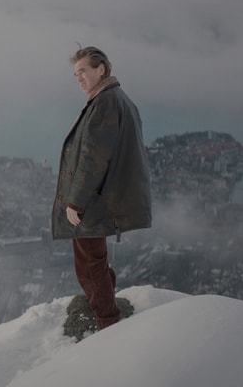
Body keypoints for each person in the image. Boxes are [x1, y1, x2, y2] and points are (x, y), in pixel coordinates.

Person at [51, 46, 152, 330]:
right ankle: (106, 307)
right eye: (75, 75)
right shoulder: (114, 98)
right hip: (104, 196)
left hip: (95, 200)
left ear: (101, 69)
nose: (79, 79)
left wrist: (76, 202)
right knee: (95, 258)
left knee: (89, 262)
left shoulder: (106, 102)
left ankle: (107, 321)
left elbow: (93, 158)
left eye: (83, 71)